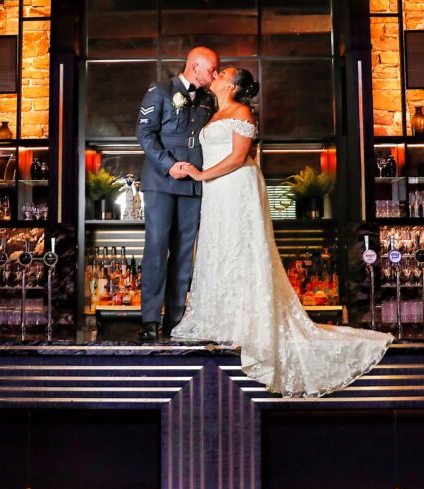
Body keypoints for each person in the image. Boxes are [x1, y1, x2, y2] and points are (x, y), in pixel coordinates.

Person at [170, 67, 393, 397]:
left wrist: (201, 175)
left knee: (241, 248)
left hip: (234, 185)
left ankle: (250, 324)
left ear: (232, 85)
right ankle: (222, 318)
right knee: (219, 247)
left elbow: (238, 157)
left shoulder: (243, 110)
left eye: (222, 73)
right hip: (217, 193)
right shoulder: (214, 112)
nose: (215, 75)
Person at [134, 46, 219, 341]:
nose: (215, 75)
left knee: (185, 253)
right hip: (161, 180)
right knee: (157, 248)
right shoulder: (159, 90)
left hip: (193, 182)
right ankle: (149, 319)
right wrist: (169, 166)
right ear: (195, 67)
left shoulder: (209, 99)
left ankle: (175, 318)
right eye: (212, 69)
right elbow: (144, 134)